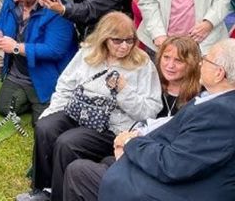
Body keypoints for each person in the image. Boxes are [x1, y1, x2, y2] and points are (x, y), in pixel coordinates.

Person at [16, 12, 162, 201]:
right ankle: (42, 189)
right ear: (104, 38)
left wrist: (124, 91)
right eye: (117, 41)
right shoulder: (88, 52)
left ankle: (59, 196)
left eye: (129, 40)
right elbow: (66, 84)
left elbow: (150, 110)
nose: (124, 45)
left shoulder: (142, 63)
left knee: (67, 143)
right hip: (79, 112)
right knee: (45, 127)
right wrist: (52, 111)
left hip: (113, 126)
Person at [62, 35, 203, 201]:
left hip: (159, 158)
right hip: (127, 141)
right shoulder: (150, 80)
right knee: (94, 159)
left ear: (192, 64)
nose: (170, 65)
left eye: (178, 61)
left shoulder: (198, 97)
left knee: (97, 168)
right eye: (166, 57)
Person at [98, 38, 235, 201]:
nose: (200, 64)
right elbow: (173, 123)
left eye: (205, 60)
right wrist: (136, 133)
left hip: (175, 189)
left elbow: (173, 165)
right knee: (99, 163)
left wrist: (130, 143)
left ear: (219, 73)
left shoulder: (221, 111)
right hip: (164, 167)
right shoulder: (213, 97)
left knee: (80, 171)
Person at [0, 0, 78, 123]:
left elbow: (55, 51)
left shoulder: (56, 9)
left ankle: (44, 100)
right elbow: (0, 22)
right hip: (19, 71)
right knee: (3, 106)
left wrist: (16, 47)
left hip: (47, 74)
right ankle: (33, 99)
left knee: (42, 123)